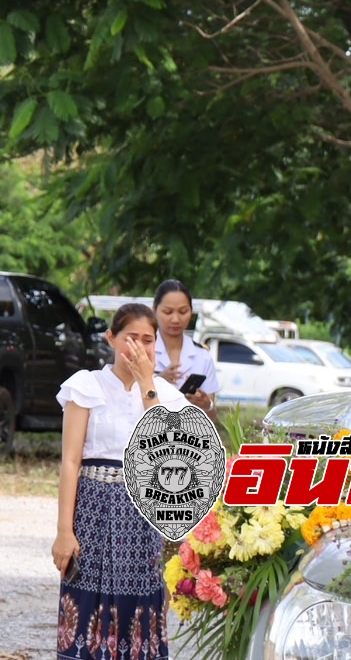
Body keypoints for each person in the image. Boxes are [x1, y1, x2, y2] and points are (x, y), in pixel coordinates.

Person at [55, 302, 188, 660]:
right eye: (131, 338)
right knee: (86, 599)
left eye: (148, 340)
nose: (140, 348)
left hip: (143, 515)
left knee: (141, 602)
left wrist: (147, 382)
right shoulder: (86, 385)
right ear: (111, 338)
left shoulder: (165, 395)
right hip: (93, 508)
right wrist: (64, 531)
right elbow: (70, 461)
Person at [152, 279, 219, 419]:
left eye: (183, 312)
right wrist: (157, 381)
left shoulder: (202, 356)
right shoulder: (142, 350)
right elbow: (126, 401)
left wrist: (206, 405)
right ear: (155, 310)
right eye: (168, 312)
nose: (175, 319)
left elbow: (212, 418)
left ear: (191, 311)